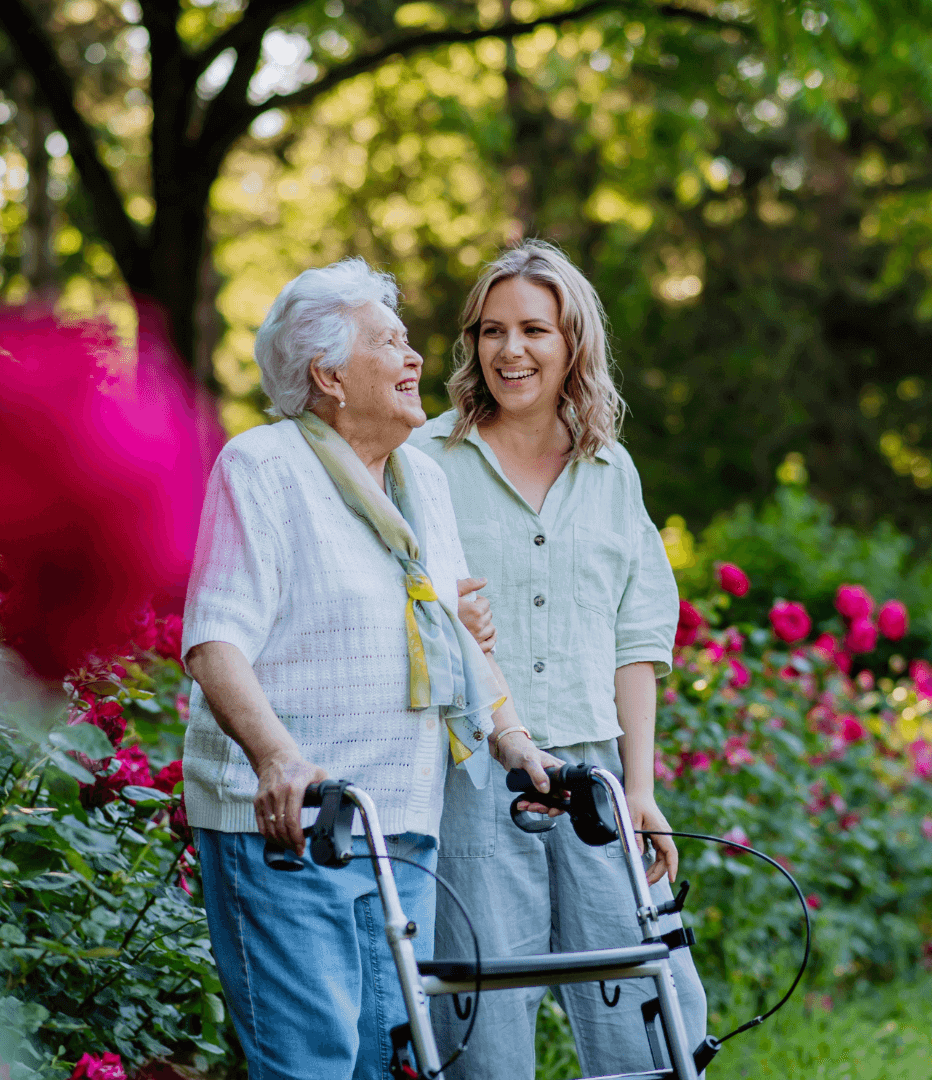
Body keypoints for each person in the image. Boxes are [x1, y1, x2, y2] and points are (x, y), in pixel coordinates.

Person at [181, 257, 561, 1080]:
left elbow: (455, 636)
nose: (415, 357)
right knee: (311, 1062)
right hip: (292, 828)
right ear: (327, 375)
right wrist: (277, 756)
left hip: (401, 826)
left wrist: (513, 737)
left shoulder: (419, 477)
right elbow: (216, 640)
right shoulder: (265, 468)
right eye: (389, 342)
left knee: (391, 1063)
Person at [409, 240, 708, 1079]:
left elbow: (638, 641)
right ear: (471, 343)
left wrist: (639, 788)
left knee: (647, 1009)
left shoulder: (612, 472)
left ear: (573, 341)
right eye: (492, 330)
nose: (511, 350)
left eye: (535, 329)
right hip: (473, 775)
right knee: (481, 1012)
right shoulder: (424, 463)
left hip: (594, 776)